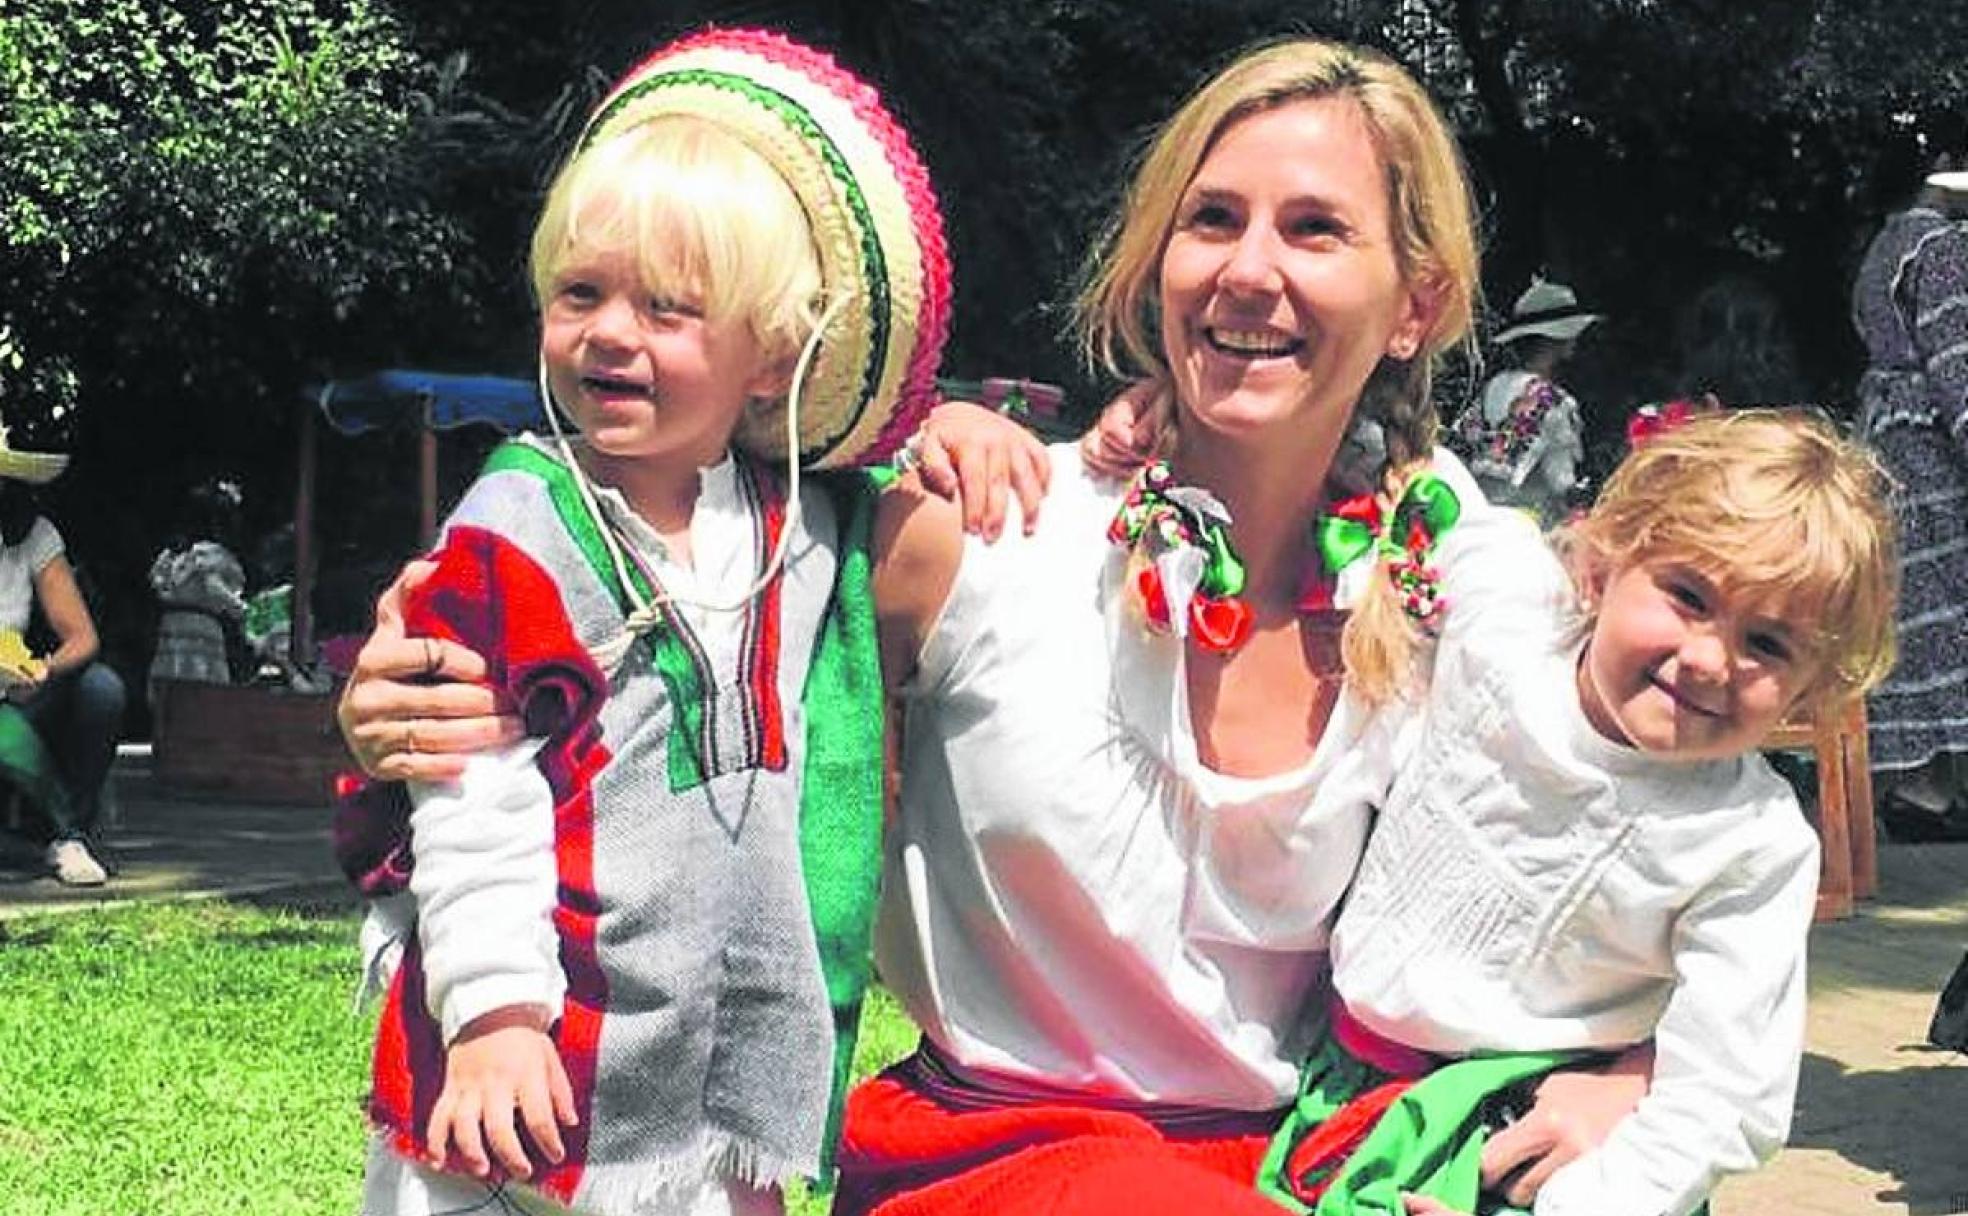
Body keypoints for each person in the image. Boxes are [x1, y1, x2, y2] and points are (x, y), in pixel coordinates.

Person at [338, 35, 1648, 1216]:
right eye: (1214, 221)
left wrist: (1634, 1072)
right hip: (990, 1163)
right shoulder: (981, 533)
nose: (1251, 271)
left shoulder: (1462, 591)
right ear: (1158, 264)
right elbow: (646, 582)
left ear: (1415, 303)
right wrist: (410, 677)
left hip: (1303, 1165)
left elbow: (1686, 834)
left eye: (1315, 231)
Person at [341, 28, 990, 1216]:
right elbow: (468, 779)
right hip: (522, 1056)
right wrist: (490, 1012)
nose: (609, 332)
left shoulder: (805, 526)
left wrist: (966, 430)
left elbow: (921, 483)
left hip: (719, 1057)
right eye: (579, 293)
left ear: (773, 354)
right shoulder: (518, 526)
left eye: (669, 307)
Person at [1255, 409, 1897, 1215]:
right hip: (1340, 1080)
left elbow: (1727, 1087)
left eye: (1767, 645)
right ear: (1601, 565)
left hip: (1525, 1153)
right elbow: (1407, 468)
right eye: (1687, 595)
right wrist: (1158, 417)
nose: (1708, 659)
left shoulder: (1749, 843)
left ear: (1813, 691)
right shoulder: (1508, 620)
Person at [1851, 165, 1968, 834]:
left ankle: (1922, 788)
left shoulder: (1886, 246)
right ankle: (1930, 794)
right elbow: (1958, 362)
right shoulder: (1945, 250)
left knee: (1918, 618)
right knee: (1949, 618)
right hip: (1933, 451)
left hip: (1889, 446)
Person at [0, 424, 125, 887]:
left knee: (101, 689)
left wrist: (42, 670)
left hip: (16, 695)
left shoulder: (32, 535)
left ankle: (67, 833)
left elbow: (81, 637)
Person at [1447, 277, 1599, 526]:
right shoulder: (1555, 401)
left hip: (1471, 518)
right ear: (1555, 338)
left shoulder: (1493, 387)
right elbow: (1561, 482)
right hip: (1523, 527)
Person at [146, 477, 248, 714]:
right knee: (200, 685)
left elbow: (157, 585)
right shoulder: (212, 556)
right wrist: (241, 610)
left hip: (172, 623)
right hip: (201, 626)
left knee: (173, 681)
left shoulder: (173, 556)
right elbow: (215, 589)